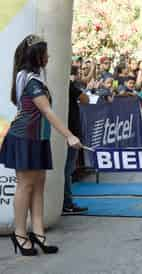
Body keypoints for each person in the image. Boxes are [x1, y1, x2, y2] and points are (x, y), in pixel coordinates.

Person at [0, 35, 82, 256]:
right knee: (25, 186)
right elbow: (47, 111)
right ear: (37, 56)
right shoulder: (32, 81)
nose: (49, 56)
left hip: (38, 138)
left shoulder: (26, 77)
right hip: (26, 138)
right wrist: (69, 136)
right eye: (45, 53)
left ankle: (38, 233)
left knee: (38, 185)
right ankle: (20, 234)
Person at [62, 66, 88, 215]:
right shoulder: (68, 85)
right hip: (70, 131)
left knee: (66, 169)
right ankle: (67, 203)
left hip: (65, 130)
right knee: (67, 169)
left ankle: (65, 202)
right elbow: (85, 99)